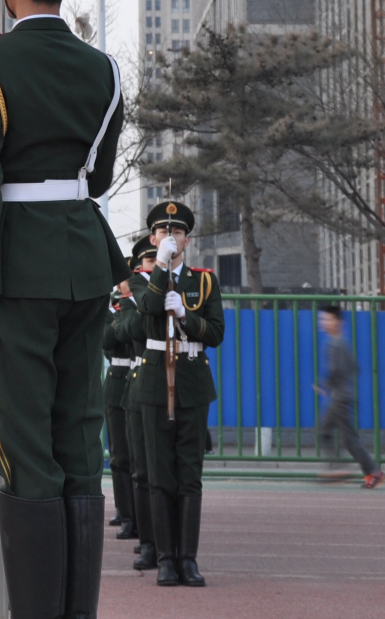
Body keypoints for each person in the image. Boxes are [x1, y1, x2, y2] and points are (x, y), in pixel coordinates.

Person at [0, 0, 126, 619]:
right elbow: (99, 174)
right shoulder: (104, 69)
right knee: (79, 438)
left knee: (23, 447)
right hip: (83, 258)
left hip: (17, 266)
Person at [133, 201, 223, 587]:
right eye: (163, 232)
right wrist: (160, 269)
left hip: (192, 382)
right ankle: (165, 558)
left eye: (178, 233)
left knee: (189, 476)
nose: (171, 237)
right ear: (153, 239)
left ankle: (188, 558)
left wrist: (188, 316)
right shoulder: (143, 278)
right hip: (155, 383)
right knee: (159, 476)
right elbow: (147, 310)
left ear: (188, 240)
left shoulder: (205, 282)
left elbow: (216, 333)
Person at [119, 242, 159, 571]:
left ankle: (176, 550)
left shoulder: (190, 284)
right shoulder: (132, 297)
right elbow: (128, 330)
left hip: (177, 380)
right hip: (140, 380)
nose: (155, 262)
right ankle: (149, 542)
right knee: (141, 468)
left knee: (175, 474)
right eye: (149, 259)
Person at [314, 303, 383, 489]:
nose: (323, 322)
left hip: (340, 398)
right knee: (345, 438)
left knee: (328, 432)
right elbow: (354, 367)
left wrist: (325, 384)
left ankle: (340, 469)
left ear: (337, 322)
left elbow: (335, 369)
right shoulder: (341, 342)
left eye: (327, 319)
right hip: (343, 395)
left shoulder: (334, 344)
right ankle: (370, 472)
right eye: (322, 319)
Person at [103, 271, 141, 539]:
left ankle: (139, 514)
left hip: (140, 375)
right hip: (118, 381)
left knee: (140, 456)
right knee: (119, 455)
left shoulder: (145, 305)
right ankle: (125, 512)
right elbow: (107, 340)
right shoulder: (112, 309)